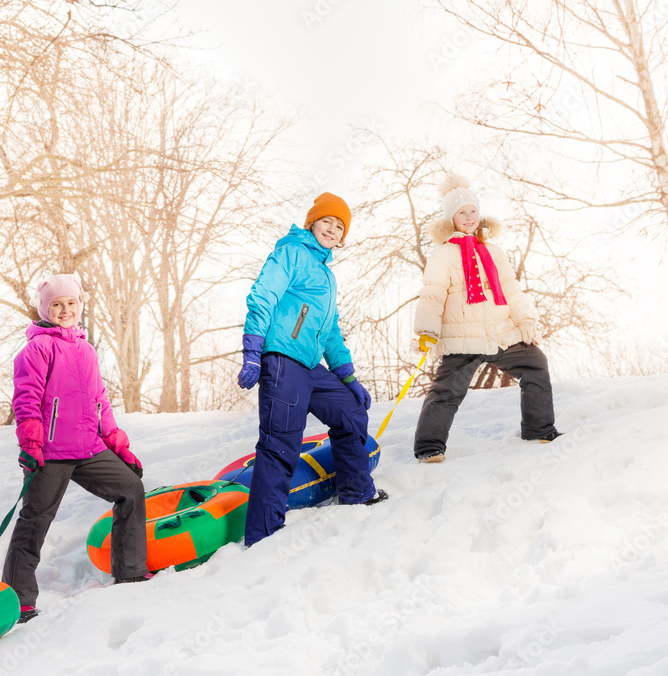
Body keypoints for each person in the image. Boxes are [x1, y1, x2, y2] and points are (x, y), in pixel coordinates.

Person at [238, 192, 387, 547]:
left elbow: (331, 329)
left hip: (310, 365)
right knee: (280, 444)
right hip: (283, 359)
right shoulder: (291, 251)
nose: (333, 229)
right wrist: (253, 349)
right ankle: (264, 533)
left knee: (351, 415)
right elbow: (263, 294)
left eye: (340, 226)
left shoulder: (326, 275)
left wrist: (347, 375)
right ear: (312, 223)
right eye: (327, 222)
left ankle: (356, 492)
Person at [3, 274, 150, 623]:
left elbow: (100, 401)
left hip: (88, 448)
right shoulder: (37, 348)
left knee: (131, 489)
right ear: (45, 309)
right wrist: (32, 442)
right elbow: (26, 400)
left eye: (71, 303)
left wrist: (117, 444)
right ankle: (19, 598)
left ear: (80, 305)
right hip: (50, 451)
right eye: (56, 304)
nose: (65, 310)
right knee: (35, 520)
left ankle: (129, 570)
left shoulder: (86, 349)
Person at [413, 175, 561, 463]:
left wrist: (525, 320)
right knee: (447, 391)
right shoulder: (444, 254)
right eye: (461, 213)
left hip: (501, 332)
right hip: (462, 336)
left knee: (535, 364)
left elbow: (511, 289)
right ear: (451, 218)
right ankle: (429, 447)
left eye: (472, 211)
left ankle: (539, 429)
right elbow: (432, 294)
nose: (468, 217)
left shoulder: (493, 251)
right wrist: (427, 330)